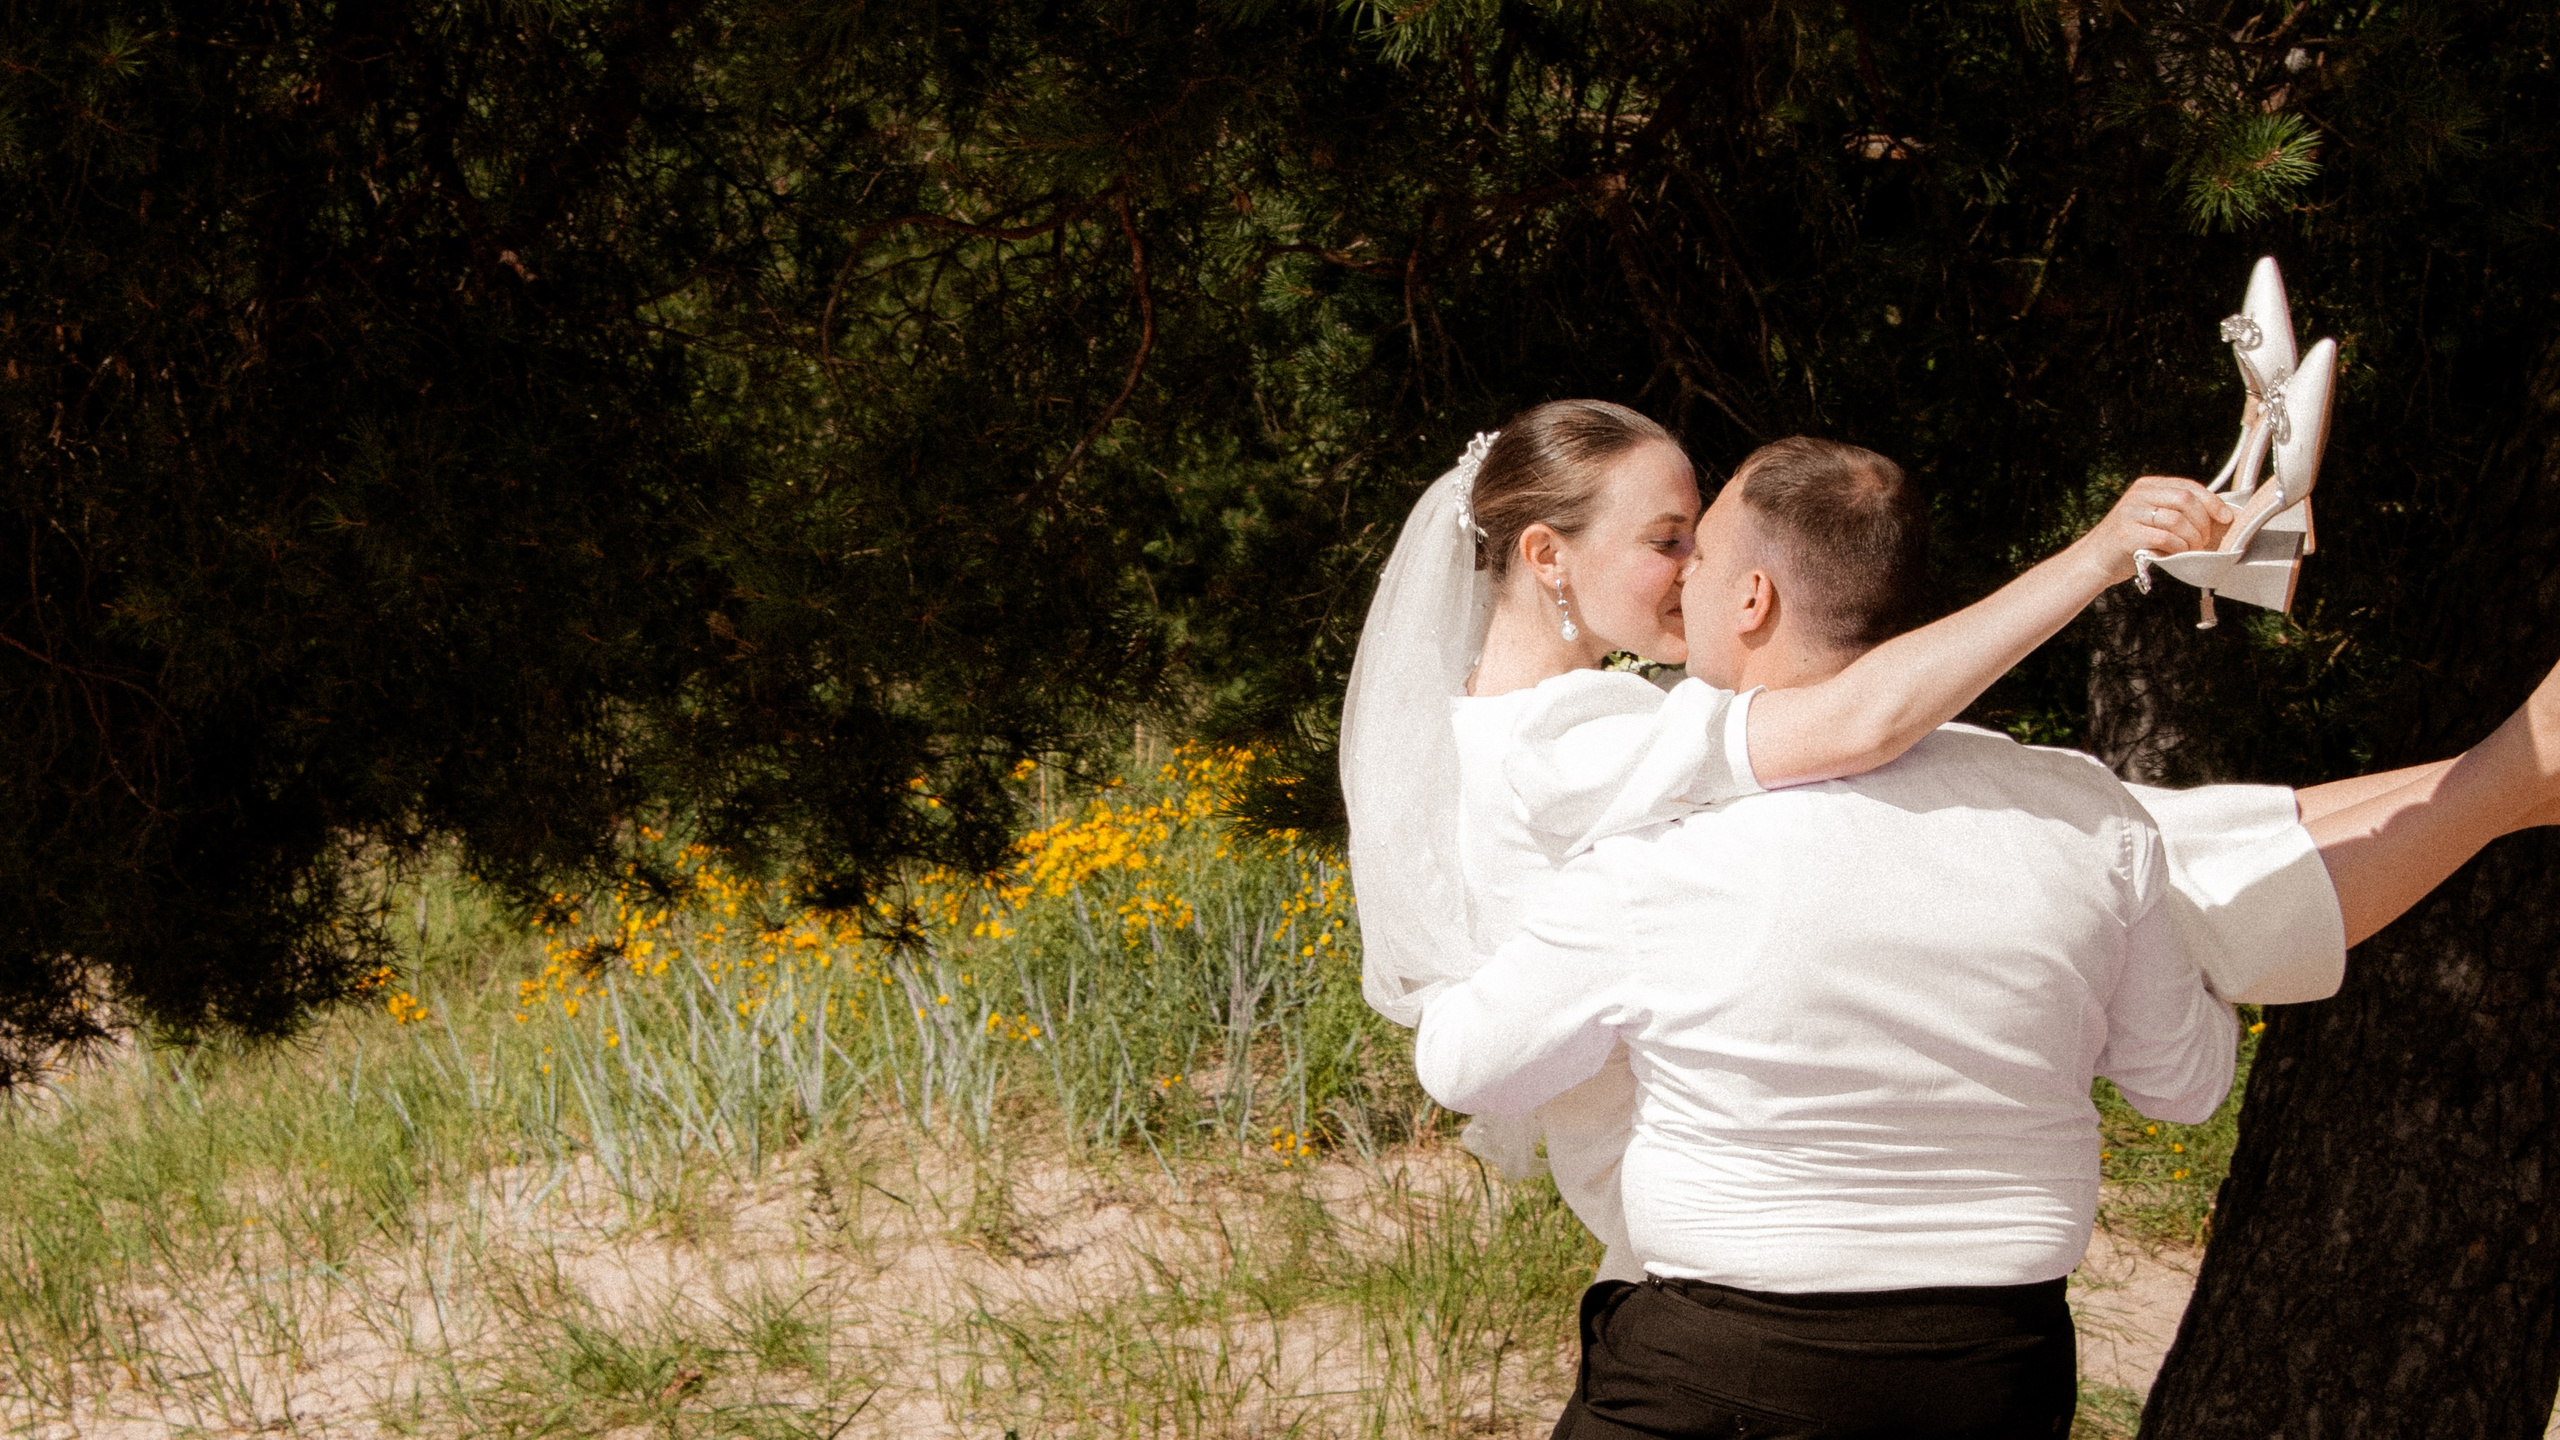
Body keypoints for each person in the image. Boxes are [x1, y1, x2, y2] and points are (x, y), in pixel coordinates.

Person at [1403, 437, 2560, 1437]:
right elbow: (2189, 1084)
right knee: (2162, 846)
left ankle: (2506, 777)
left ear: (1751, 598)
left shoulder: (1657, 843)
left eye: (1692, 550)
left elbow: (1470, 1064)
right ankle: (2510, 774)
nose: (1680, 578)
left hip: (1735, 1361)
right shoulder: (2069, 805)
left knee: (2167, 845)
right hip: (1998, 1371)